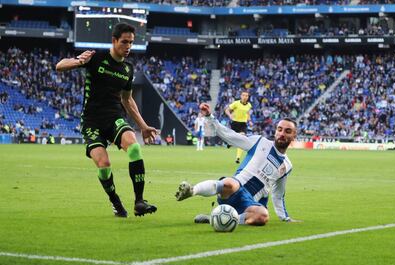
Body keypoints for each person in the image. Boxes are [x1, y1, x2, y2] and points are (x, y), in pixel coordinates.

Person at [56, 22, 157, 218]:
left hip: (114, 117)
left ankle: (139, 201)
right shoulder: (96, 58)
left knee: (135, 147)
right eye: (124, 42)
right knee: (103, 164)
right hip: (91, 121)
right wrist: (77, 61)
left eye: (131, 43)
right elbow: (60, 66)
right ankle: (115, 202)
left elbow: (127, 100)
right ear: (114, 40)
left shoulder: (127, 69)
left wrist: (143, 126)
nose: (128, 47)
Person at [175, 103, 300, 226]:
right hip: (234, 190)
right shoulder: (259, 142)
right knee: (230, 182)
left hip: (250, 205)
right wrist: (209, 116)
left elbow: (278, 194)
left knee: (263, 216)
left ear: (294, 136)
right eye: (280, 129)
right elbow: (229, 135)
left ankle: (216, 218)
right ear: (275, 131)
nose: (282, 134)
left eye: (287, 131)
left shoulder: (287, 166)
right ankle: (192, 191)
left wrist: (285, 218)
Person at [225, 91, 252, 163]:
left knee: (241, 139)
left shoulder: (249, 105)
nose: (245, 97)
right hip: (235, 123)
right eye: (243, 95)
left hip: (243, 124)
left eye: (246, 96)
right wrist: (230, 115)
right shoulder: (236, 103)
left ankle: (238, 158)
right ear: (241, 96)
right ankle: (230, 143)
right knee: (232, 138)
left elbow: (248, 113)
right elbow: (227, 110)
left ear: (248, 97)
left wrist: (250, 120)